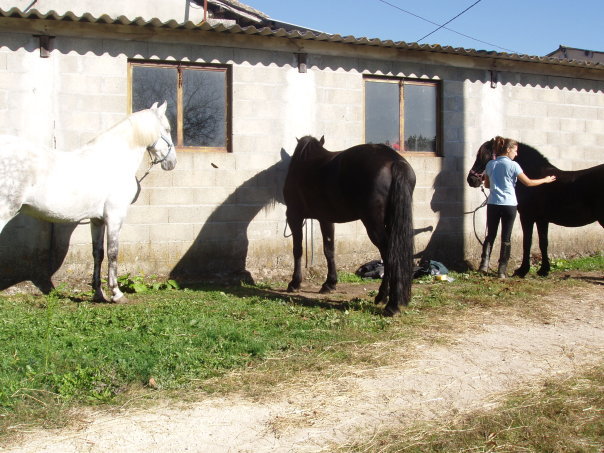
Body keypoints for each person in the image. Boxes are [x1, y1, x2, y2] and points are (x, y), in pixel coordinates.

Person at [479, 136, 556, 278]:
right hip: (509, 204)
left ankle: (484, 264)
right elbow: (528, 183)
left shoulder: (490, 164)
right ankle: (501, 270)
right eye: (515, 150)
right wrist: (545, 180)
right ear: (508, 150)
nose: (516, 153)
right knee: (506, 238)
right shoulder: (514, 165)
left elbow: (487, 185)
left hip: (493, 204)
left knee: (491, 235)